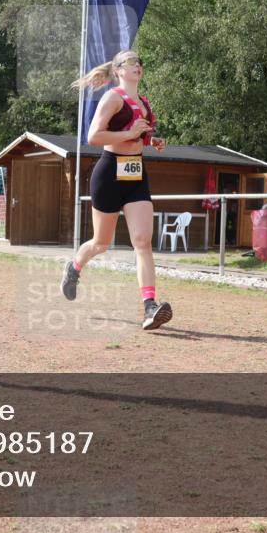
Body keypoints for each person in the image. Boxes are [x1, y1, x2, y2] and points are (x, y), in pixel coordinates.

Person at [59, 49, 172, 331]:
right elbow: (93, 136)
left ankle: (149, 307)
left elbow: (136, 136)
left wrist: (150, 140)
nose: (138, 66)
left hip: (135, 174)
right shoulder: (113, 97)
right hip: (109, 173)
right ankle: (74, 268)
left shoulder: (143, 103)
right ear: (119, 69)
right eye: (132, 62)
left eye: (140, 62)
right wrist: (130, 134)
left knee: (142, 241)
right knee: (101, 242)